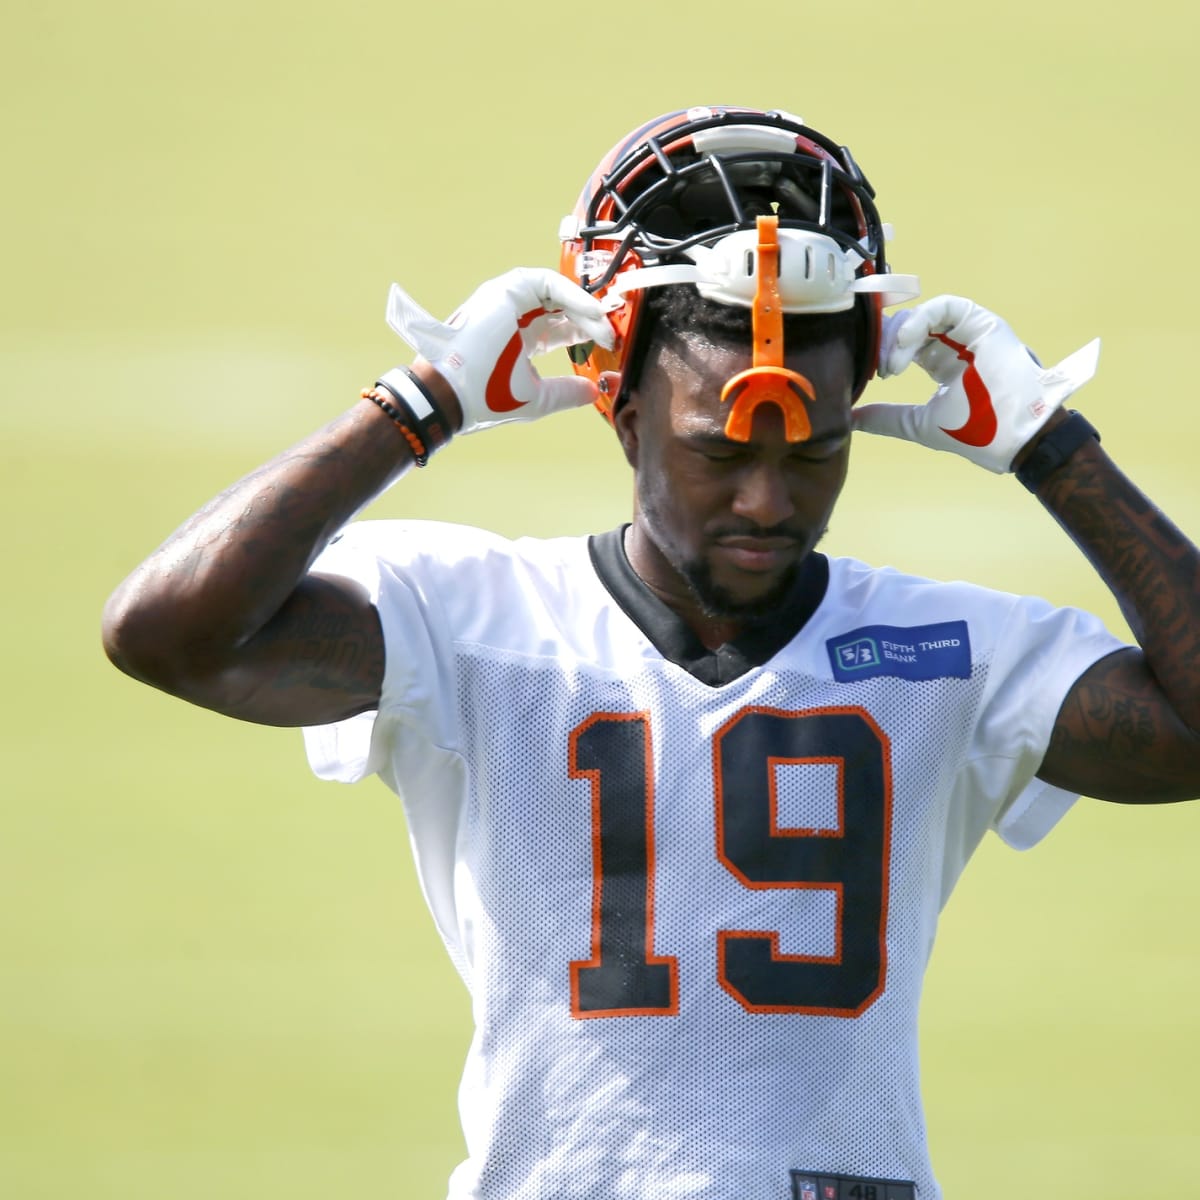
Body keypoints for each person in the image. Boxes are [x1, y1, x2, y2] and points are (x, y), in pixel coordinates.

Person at [102, 106, 1200, 1200]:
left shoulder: (951, 652)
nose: (768, 500)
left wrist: (1056, 448)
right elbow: (167, 633)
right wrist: (416, 403)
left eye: (813, 453)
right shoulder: (471, 618)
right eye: (719, 451)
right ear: (619, 412)